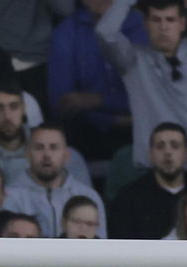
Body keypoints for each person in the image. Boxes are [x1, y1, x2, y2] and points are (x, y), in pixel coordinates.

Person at [97, 0, 187, 174]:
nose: (163, 27)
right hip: (151, 173)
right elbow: (105, 32)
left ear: (182, 23)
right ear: (145, 23)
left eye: (170, 20)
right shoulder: (133, 61)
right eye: (156, 20)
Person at [49, 0, 142, 162]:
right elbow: (63, 105)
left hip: (143, 131)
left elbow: (149, 96)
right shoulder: (66, 32)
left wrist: (95, 100)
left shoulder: (143, 26)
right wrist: (116, 121)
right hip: (90, 133)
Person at [2, 124, 106, 239]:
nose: (47, 155)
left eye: (53, 148)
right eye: (39, 148)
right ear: (27, 154)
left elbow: (101, 246)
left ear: (66, 156)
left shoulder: (89, 197)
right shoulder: (9, 197)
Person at [108, 122, 187, 240]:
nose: (168, 152)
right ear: (151, 155)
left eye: (175, 146)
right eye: (160, 146)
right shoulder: (129, 197)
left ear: (186, 154)